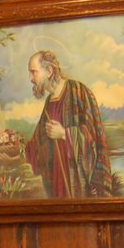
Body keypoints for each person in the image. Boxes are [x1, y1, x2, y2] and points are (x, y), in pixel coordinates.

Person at [24, 49, 113, 198]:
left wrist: (64, 134)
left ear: (49, 71)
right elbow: (38, 141)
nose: (30, 78)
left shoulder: (79, 92)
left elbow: (94, 136)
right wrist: (18, 153)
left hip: (79, 182)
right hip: (57, 183)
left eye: (34, 72)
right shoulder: (49, 102)